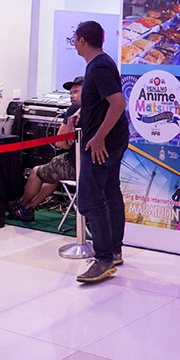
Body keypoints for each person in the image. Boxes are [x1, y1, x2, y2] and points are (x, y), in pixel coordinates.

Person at [69, 20, 130, 284]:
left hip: (103, 144)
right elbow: (103, 101)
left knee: (89, 200)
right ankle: (113, 251)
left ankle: (103, 259)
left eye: (75, 38)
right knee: (110, 192)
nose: (74, 42)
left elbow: (118, 103)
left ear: (82, 40)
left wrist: (98, 137)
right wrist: (81, 114)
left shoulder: (99, 66)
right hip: (113, 140)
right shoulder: (99, 64)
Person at [7, 76, 82, 221]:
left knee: (36, 172)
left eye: (76, 92)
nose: (72, 96)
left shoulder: (75, 109)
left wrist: (69, 143)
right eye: (70, 93)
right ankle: (31, 206)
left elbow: (60, 142)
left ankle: (22, 206)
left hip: (76, 166)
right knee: (53, 173)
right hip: (94, 167)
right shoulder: (98, 108)